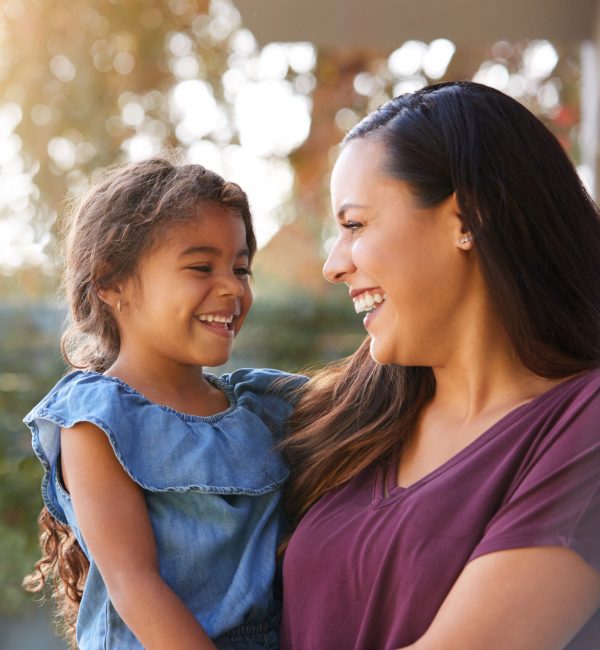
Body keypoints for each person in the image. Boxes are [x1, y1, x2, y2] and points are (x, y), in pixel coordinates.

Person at [280, 81, 600, 649]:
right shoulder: (342, 416)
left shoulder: (584, 424)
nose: (333, 264)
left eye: (354, 225)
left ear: (468, 218)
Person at [23, 159, 299, 650]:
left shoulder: (265, 405)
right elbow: (135, 586)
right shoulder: (96, 419)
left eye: (241, 268)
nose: (234, 287)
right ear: (111, 282)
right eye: (201, 267)